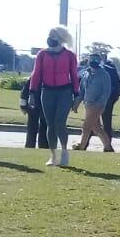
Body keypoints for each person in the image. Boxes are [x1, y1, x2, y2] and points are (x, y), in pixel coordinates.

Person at [28, 27, 81, 166]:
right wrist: (32, 92)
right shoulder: (42, 54)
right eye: (49, 35)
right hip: (47, 91)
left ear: (61, 38)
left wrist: (76, 95)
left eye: (53, 35)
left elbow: (74, 76)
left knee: (60, 122)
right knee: (50, 124)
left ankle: (64, 150)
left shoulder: (69, 55)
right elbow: (36, 74)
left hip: (64, 91)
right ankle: (52, 155)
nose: (50, 38)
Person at [73, 54, 114, 152]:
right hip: (87, 103)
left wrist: (99, 103)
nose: (93, 61)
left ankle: (81, 146)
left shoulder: (104, 75)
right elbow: (82, 89)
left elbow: (106, 91)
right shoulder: (86, 73)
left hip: (97, 105)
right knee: (96, 127)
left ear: (99, 62)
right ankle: (108, 147)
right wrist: (77, 102)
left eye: (96, 59)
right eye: (91, 59)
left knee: (86, 126)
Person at [20, 82, 50, 149]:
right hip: (35, 105)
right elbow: (25, 91)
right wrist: (23, 106)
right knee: (38, 126)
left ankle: (33, 145)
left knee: (39, 126)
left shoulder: (34, 77)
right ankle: (41, 146)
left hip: (39, 104)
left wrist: (23, 106)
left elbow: (24, 92)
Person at [101, 56, 120, 141]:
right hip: (109, 98)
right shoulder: (112, 69)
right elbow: (118, 86)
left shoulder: (101, 68)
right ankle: (108, 143)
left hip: (98, 99)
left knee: (92, 122)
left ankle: (84, 143)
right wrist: (114, 98)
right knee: (107, 122)